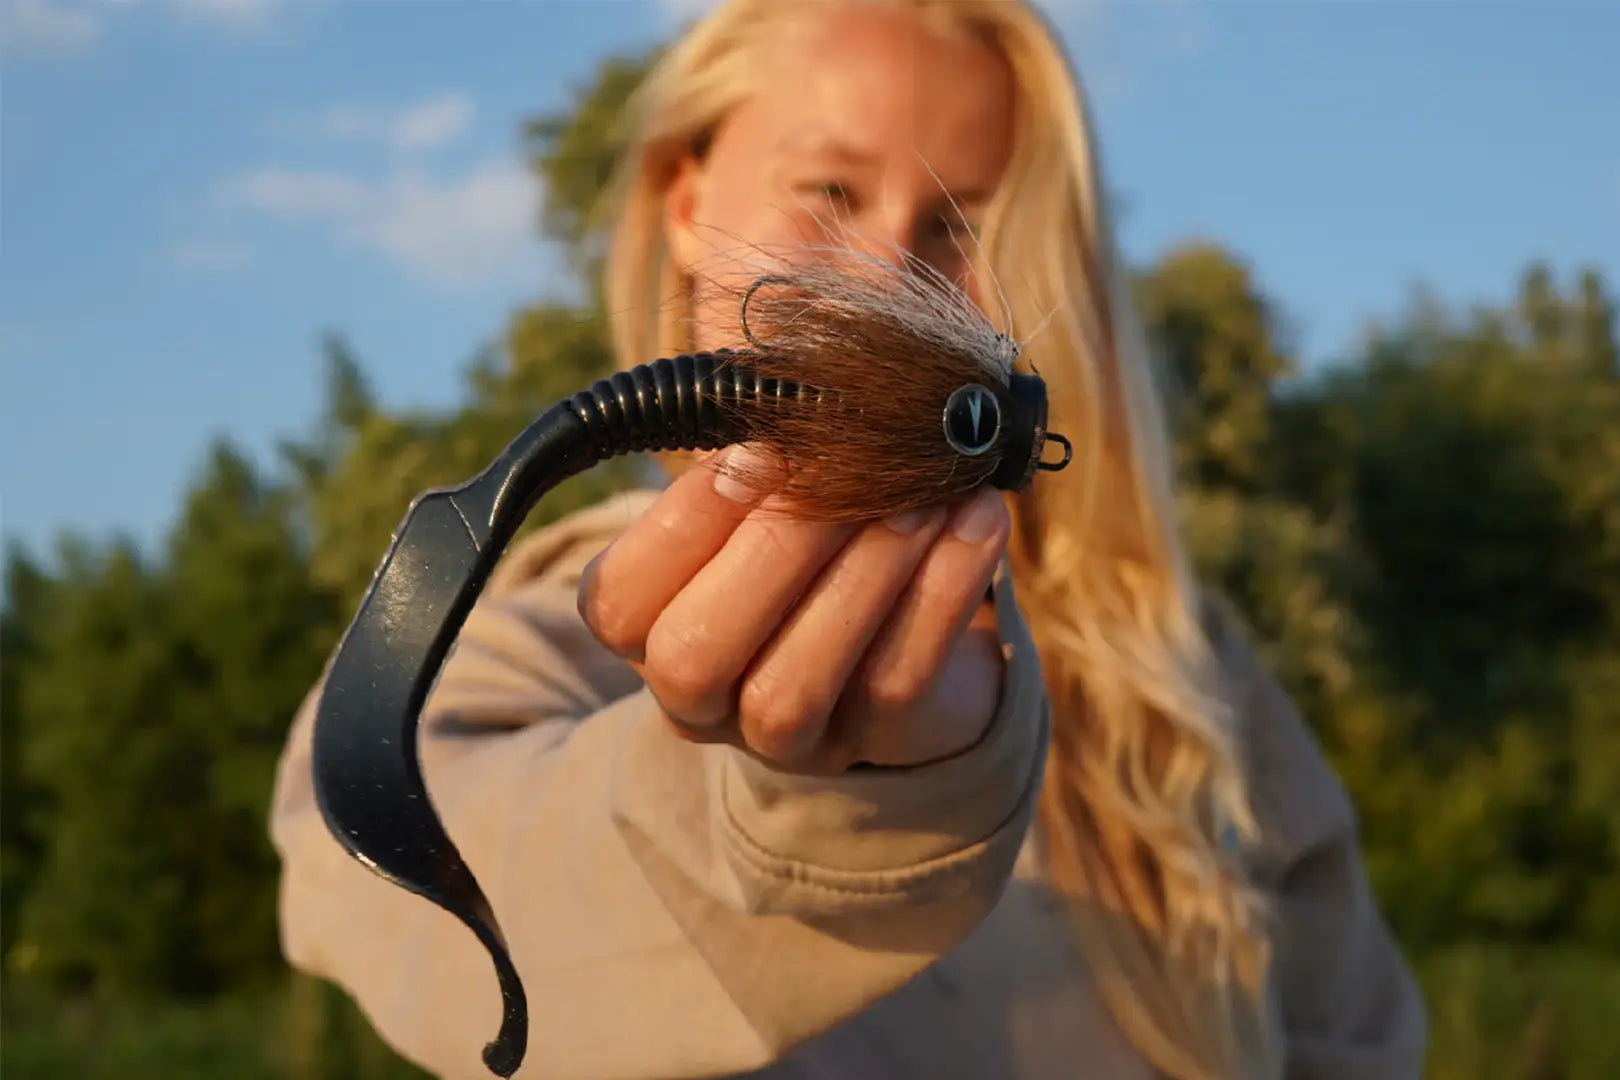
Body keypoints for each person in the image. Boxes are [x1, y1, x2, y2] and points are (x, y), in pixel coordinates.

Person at [268, 1, 1427, 1077]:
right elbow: (376, 876)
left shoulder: (1188, 667)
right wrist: (836, 806)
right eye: (827, 188)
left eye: (960, 220)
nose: (882, 277)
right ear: (686, 199)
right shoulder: (520, 639)